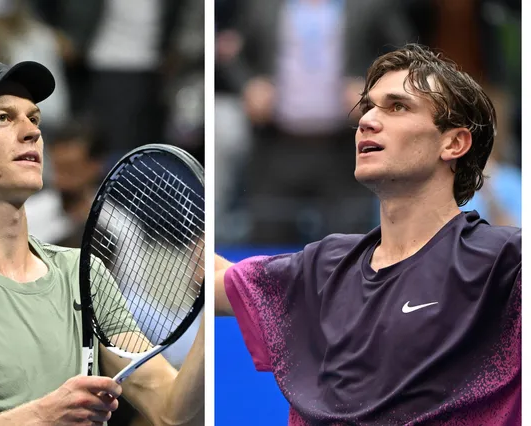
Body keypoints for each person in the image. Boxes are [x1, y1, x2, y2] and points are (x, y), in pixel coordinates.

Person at [215, 44, 520, 425]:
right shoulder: (322, 265)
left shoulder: (507, 263)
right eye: (369, 106)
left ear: (453, 142)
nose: (367, 120)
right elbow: (210, 280)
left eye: (397, 107)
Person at [0, 60, 204, 426]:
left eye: (34, 119)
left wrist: (216, 310)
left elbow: (171, 408)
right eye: (2, 118)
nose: (31, 132)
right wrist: (42, 415)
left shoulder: (82, 272)